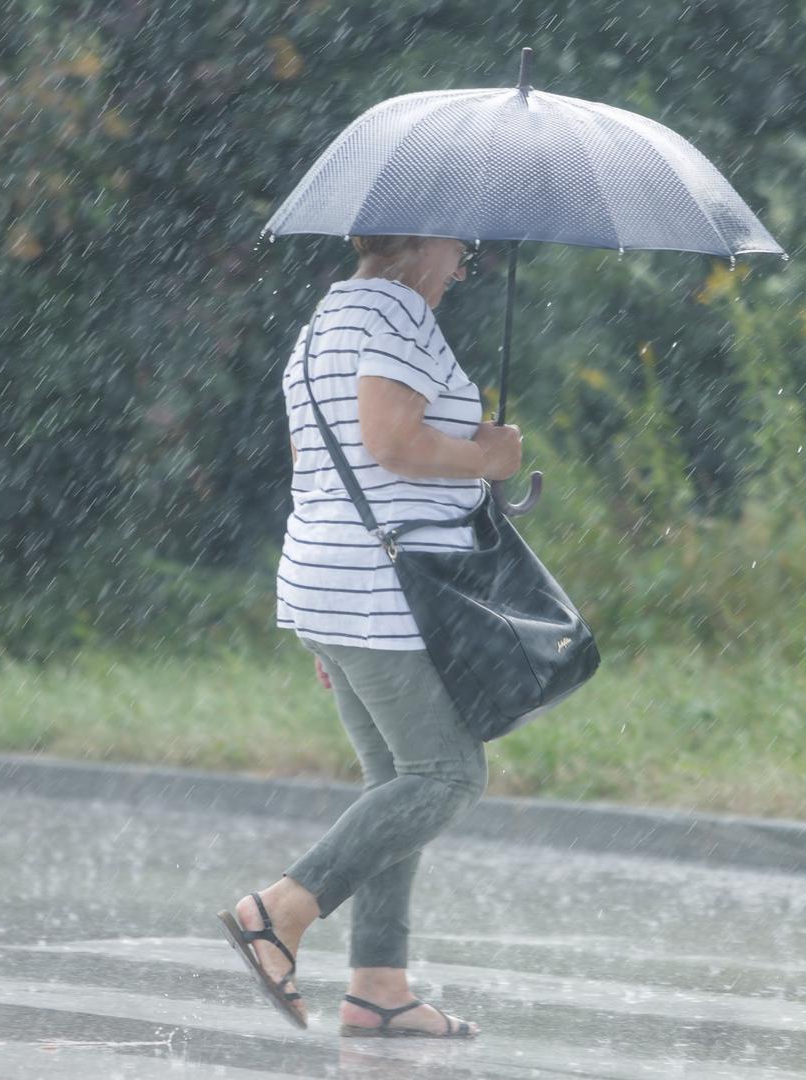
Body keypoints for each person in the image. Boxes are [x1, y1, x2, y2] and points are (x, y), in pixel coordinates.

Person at [218, 233, 522, 1038]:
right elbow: (391, 444)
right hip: (382, 590)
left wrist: (327, 626)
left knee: (395, 777)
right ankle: (277, 911)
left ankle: (379, 986)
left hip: (335, 579)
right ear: (421, 241)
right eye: (460, 247)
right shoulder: (392, 312)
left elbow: (314, 464)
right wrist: (487, 458)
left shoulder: (326, 319)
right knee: (446, 775)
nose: (463, 266)